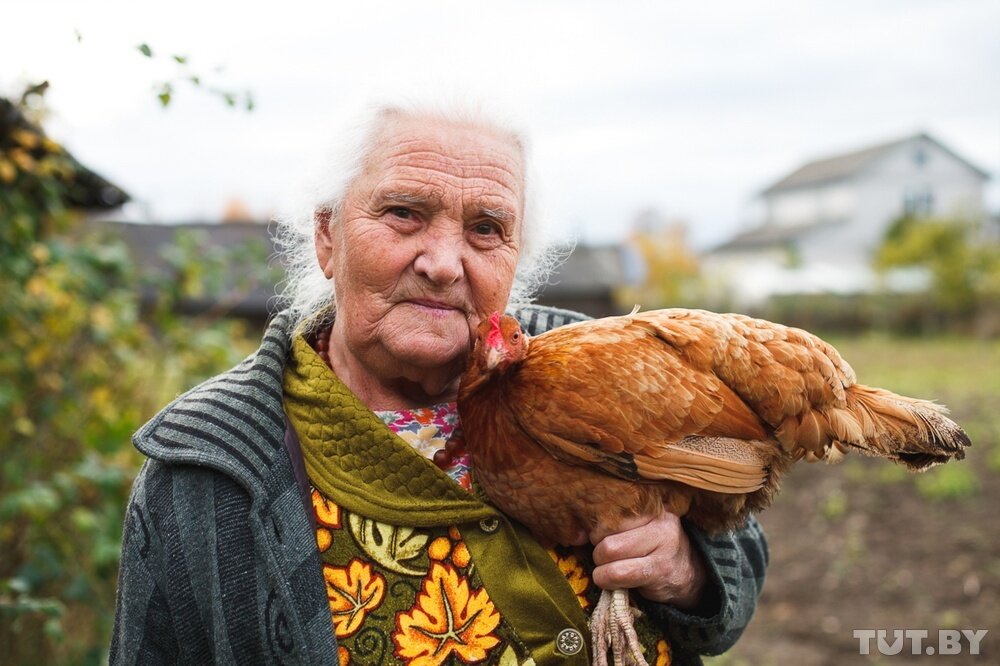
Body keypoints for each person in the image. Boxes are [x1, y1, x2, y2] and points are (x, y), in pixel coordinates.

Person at [111, 104, 768, 666]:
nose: (444, 264)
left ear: (517, 260)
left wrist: (684, 571)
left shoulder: (612, 372)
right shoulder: (204, 468)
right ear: (327, 238)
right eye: (403, 213)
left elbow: (736, 546)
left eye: (486, 228)